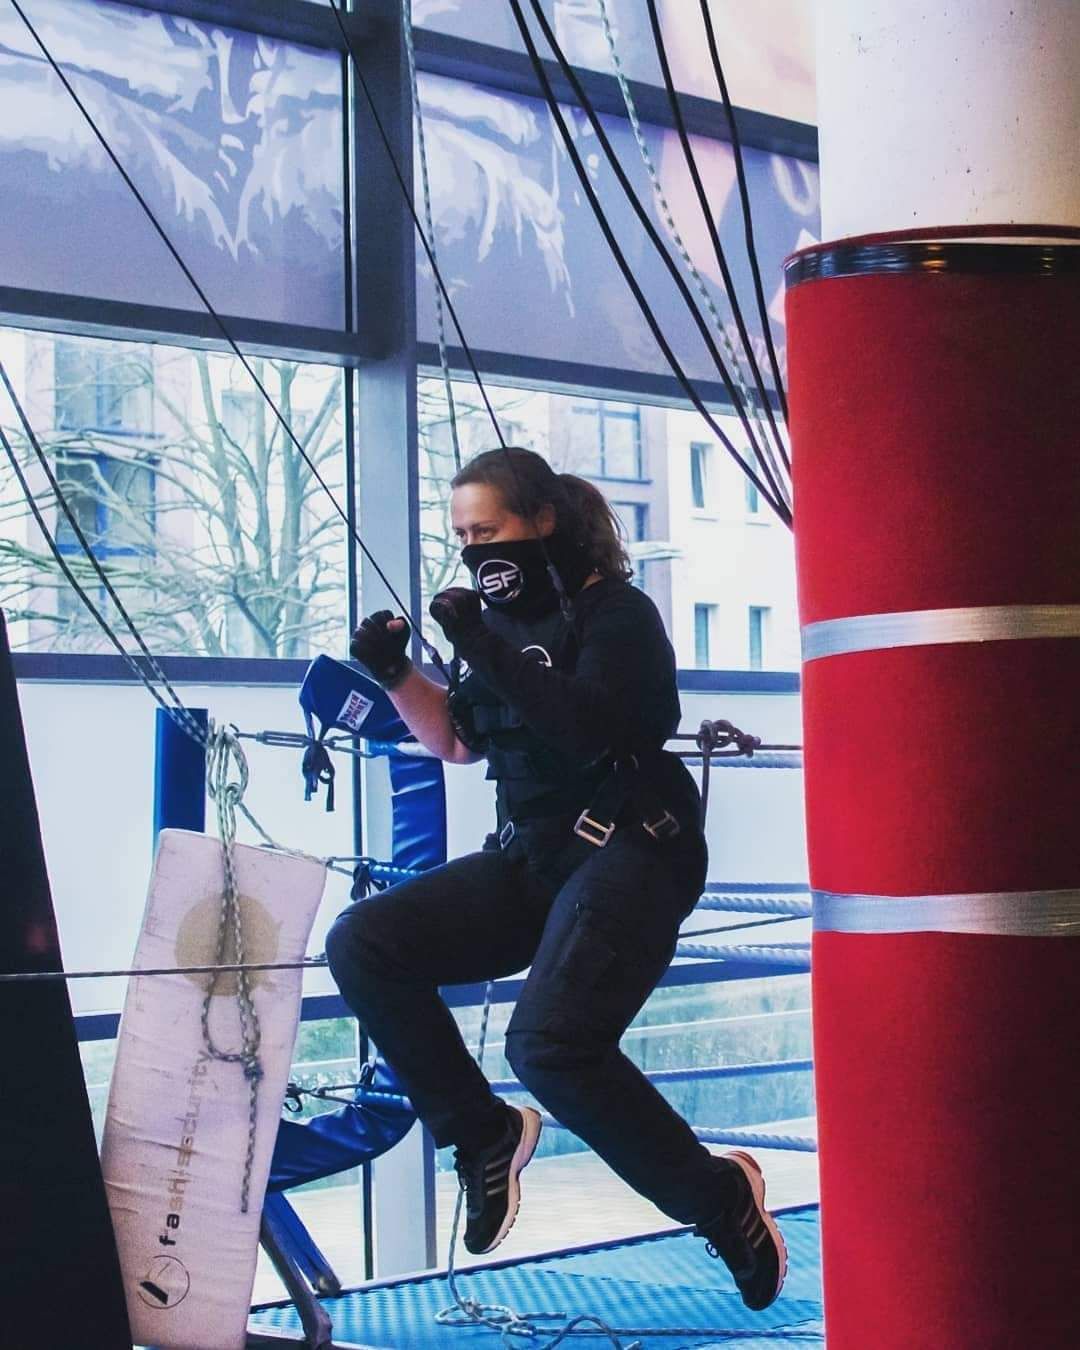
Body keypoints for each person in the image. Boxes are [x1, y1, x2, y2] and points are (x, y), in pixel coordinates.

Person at [326, 447, 786, 1311]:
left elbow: (588, 728)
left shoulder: (617, 615)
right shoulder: (497, 627)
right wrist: (395, 673)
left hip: (634, 849)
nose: (475, 551)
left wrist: (475, 641)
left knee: (547, 1044)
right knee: (364, 941)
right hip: (534, 857)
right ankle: (483, 1135)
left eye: (488, 531)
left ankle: (716, 1198)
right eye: (463, 537)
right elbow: (457, 742)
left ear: (541, 522)